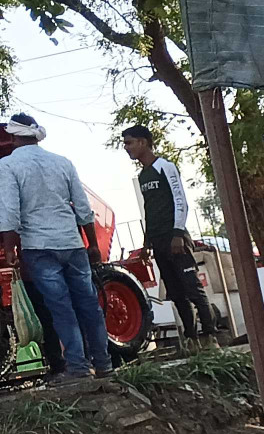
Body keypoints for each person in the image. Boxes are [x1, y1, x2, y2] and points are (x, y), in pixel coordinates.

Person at [0, 113, 111, 384]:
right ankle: (104, 364)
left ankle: (78, 368)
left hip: (39, 248)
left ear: (13, 136)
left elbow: (10, 212)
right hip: (73, 245)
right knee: (88, 305)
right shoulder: (62, 162)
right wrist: (93, 245)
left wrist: (10, 249)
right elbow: (83, 208)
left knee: (61, 308)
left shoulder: (8, 165)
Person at [122, 123, 220, 347]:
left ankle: (210, 335)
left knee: (192, 288)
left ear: (143, 142)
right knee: (176, 293)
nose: (127, 148)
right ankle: (191, 337)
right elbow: (149, 209)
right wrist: (147, 241)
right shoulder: (144, 175)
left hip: (174, 238)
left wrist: (177, 233)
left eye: (129, 143)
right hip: (158, 241)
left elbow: (180, 201)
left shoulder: (165, 167)